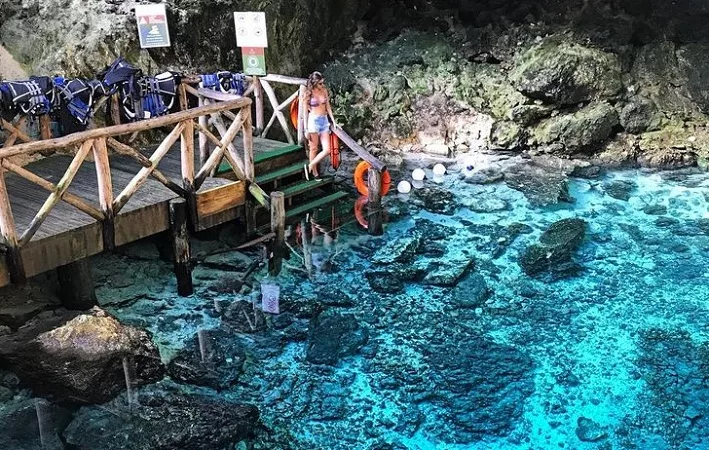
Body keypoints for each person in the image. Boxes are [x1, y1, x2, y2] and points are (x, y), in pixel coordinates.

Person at [302, 71, 338, 179]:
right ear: (314, 83)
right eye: (320, 83)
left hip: (324, 120)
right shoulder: (308, 93)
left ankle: (311, 165)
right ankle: (314, 173)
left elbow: (328, 106)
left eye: (323, 83)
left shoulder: (324, 91)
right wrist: (306, 129)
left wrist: (333, 121)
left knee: (327, 149)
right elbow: (304, 112)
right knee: (313, 148)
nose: (322, 85)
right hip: (313, 121)